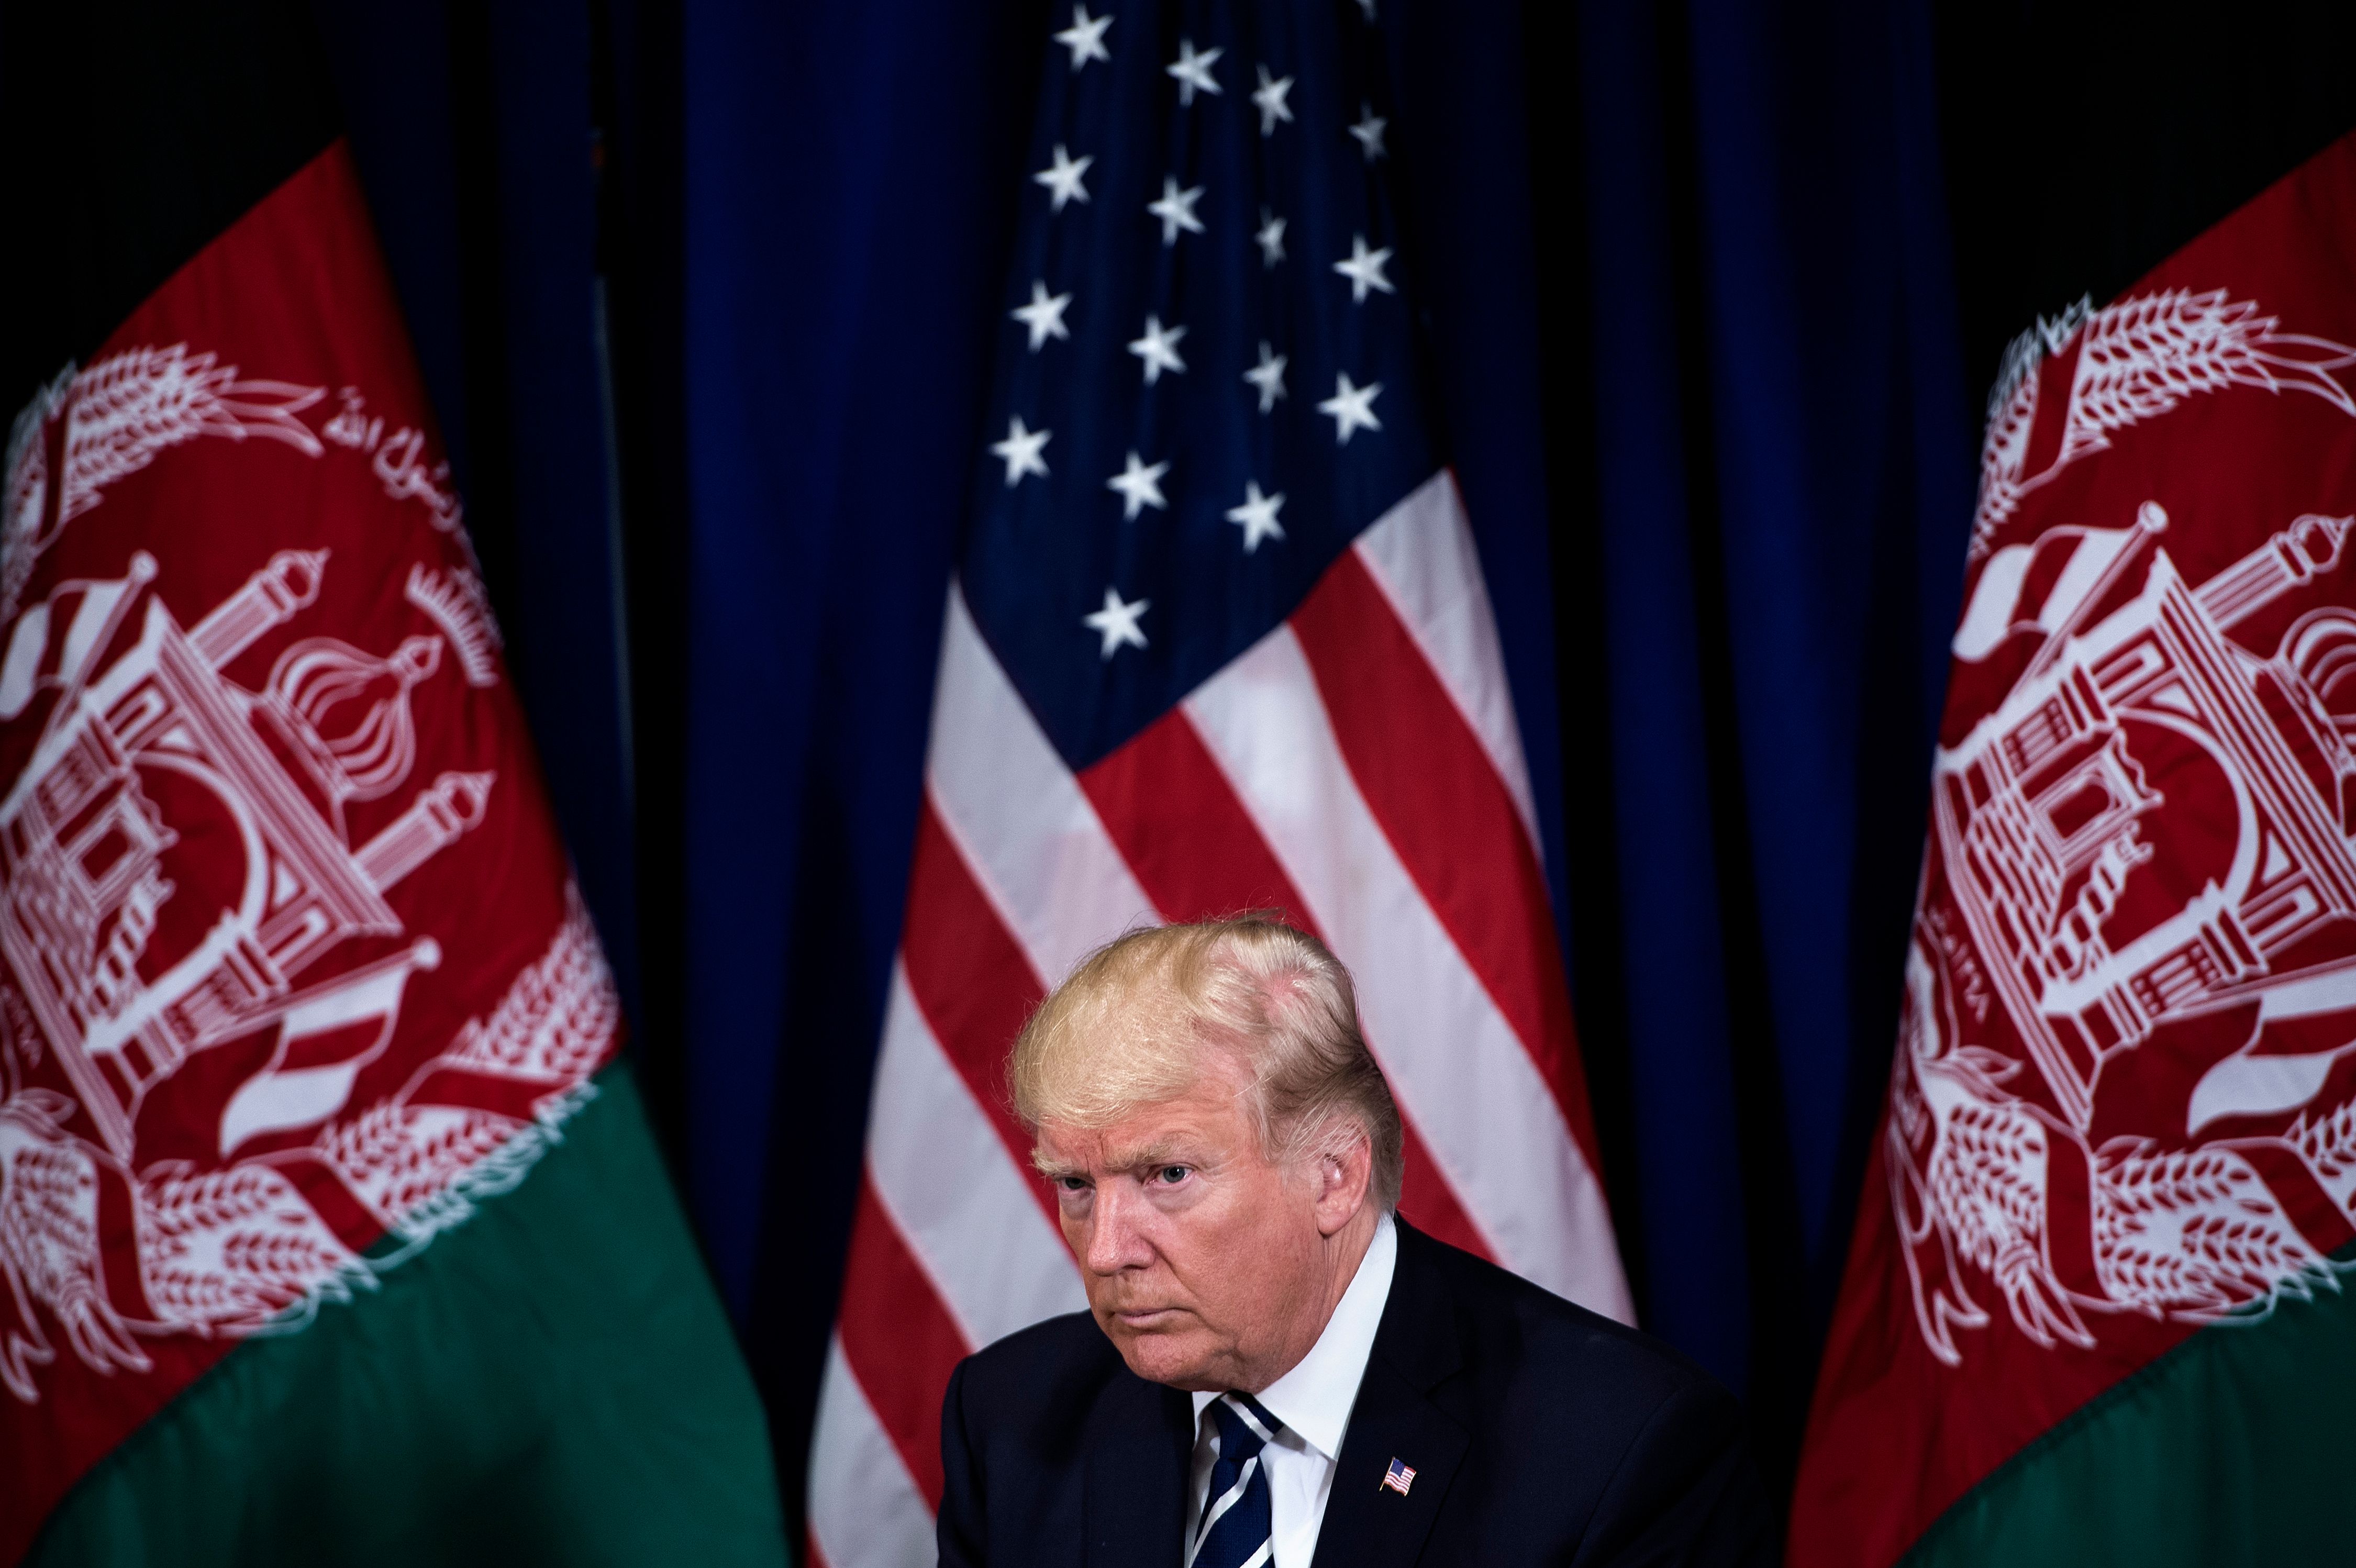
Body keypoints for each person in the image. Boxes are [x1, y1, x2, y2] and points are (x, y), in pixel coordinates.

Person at [936, 916, 1774, 1568]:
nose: (1106, 1249)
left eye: (1167, 1177)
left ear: (1334, 1176)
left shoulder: (1621, 1454)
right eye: (1076, 1187)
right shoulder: (1010, 1422)